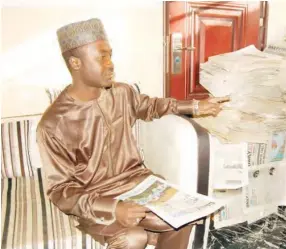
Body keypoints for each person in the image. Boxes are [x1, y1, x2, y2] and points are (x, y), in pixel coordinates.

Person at [36, 18, 228, 249]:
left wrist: (195, 106)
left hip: (138, 182)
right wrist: (114, 208)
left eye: (110, 55)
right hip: (97, 199)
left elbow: (151, 106)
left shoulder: (121, 93)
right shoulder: (53, 123)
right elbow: (60, 191)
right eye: (102, 57)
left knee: (186, 216)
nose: (110, 64)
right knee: (134, 238)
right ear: (76, 63)